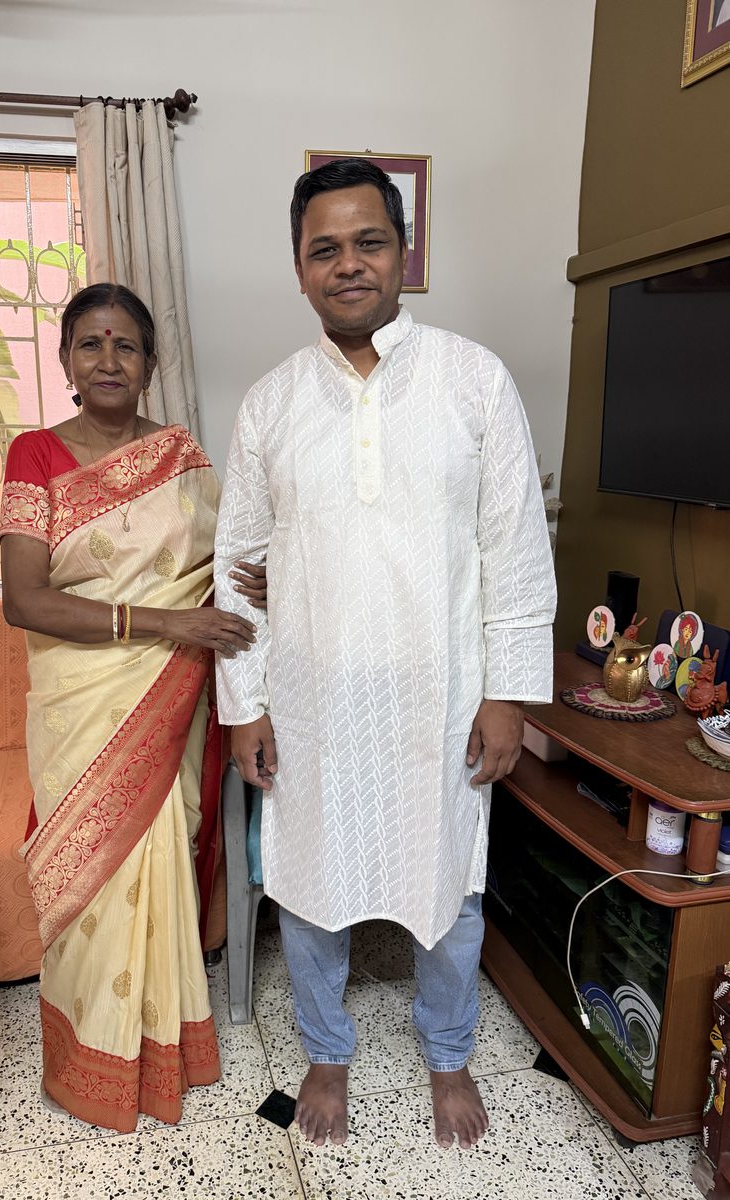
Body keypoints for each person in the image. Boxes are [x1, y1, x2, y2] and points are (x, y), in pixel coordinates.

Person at [214, 159, 557, 1151]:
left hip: (438, 702)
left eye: (369, 242)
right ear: (299, 268)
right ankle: (327, 1050)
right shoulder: (270, 405)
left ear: (404, 254)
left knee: (449, 889)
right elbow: (237, 569)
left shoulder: (473, 379)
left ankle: (447, 1053)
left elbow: (514, 553)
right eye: (326, 248)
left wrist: (508, 698)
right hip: (312, 703)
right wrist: (245, 704)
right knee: (311, 890)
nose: (348, 264)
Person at [0, 282, 265, 1132]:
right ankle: (92, 1055)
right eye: (90, 344)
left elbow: (224, 561)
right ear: (67, 361)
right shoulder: (33, 456)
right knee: (95, 868)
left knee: (164, 850)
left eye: (126, 346)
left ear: (151, 364)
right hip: (84, 701)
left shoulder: (182, 456)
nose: (108, 359)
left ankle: (161, 1049)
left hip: (173, 693)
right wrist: (161, 620)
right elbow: (25, 600)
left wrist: (260, 577)